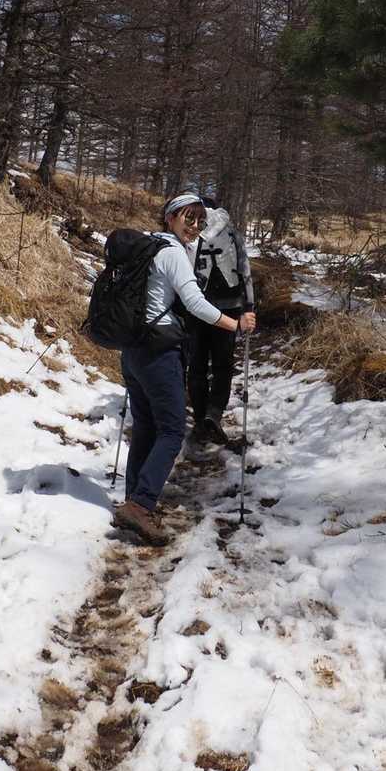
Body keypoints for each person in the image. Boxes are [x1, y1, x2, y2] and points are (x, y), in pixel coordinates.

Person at [112, 192, 257, 546]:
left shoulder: (147, 246)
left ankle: (134, 500)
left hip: (133, 350)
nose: (194, 226)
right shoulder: (173, 252)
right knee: (172, 430)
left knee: (146, 426)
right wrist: (235, 324)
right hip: (159, 351)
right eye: (188, 218)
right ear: (170, 216)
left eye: (199, 220)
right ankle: (141, 505)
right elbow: (195, 303)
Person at [188, 194, 255, 445]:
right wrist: (249, 306)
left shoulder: (191, 233)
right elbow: (245, 272)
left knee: (196, 365)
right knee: (222, 365)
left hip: (197, 307)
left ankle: (200, 419)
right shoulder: (232, 234)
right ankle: (213, 415)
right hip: (230, 308)